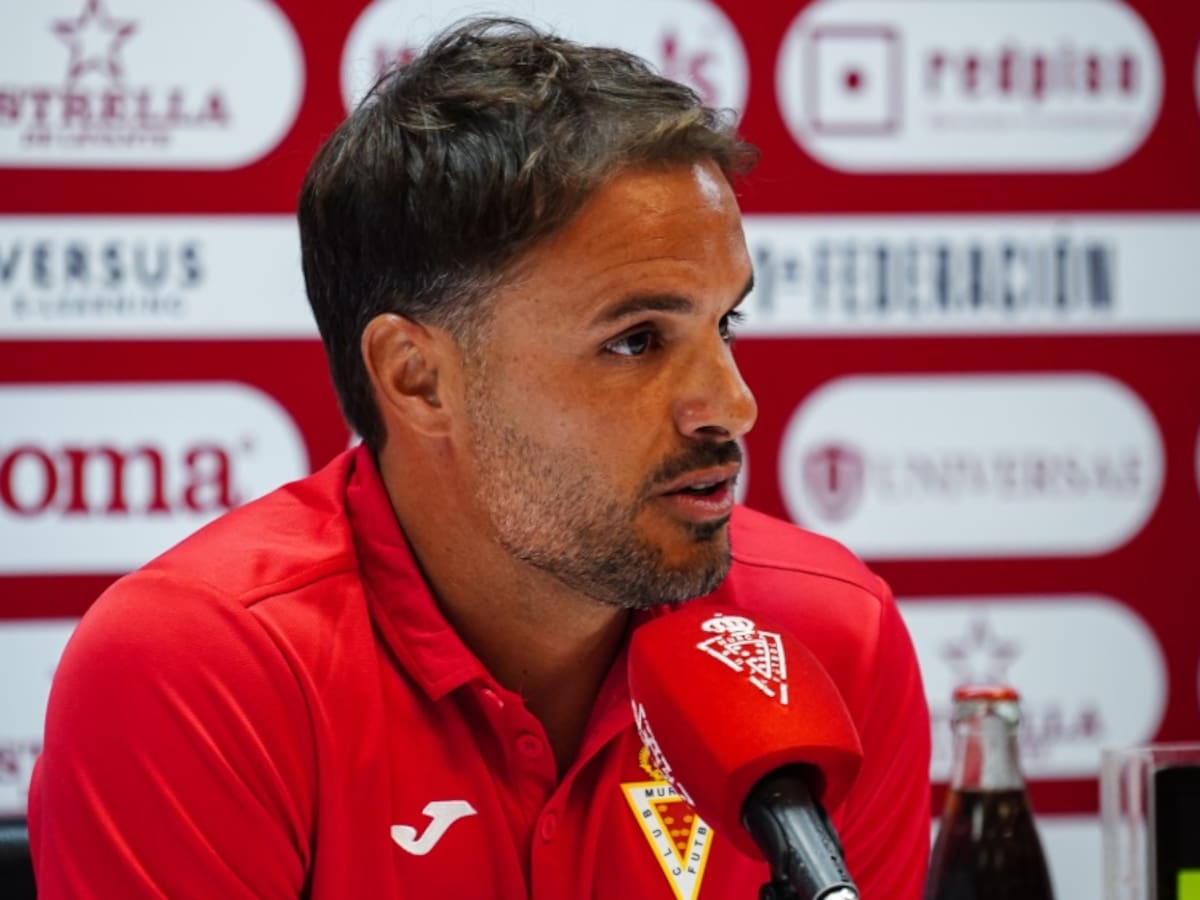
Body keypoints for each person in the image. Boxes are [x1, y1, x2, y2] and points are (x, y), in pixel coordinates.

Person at [29, 17, 930, 899]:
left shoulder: (827, 641)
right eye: (636, 340)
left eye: (724, 323)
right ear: (418, 379)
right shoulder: (199, 673)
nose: (733, 405)